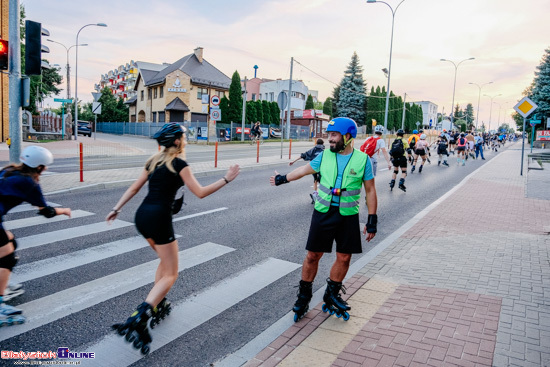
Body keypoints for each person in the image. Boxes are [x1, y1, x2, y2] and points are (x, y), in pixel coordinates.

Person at [107, 123, 240, 355]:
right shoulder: (179, 164)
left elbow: (134, 188)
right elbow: (200, 192)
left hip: (142, 217)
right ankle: (142, 314)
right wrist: (226, 179)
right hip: (159, 219)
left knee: (163, 261)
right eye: (184, 137)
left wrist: (116, 208)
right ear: (177, 141)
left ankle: (157, 303)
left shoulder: (153, 161)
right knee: (171, 273)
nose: (185, 140)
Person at [270, 117, 377, 322]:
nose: (330, 139)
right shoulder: (325, 156)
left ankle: (331, 294)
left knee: (344, 257)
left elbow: (370, 190)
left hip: (348, 215)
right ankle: (304, 296)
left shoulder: (363, 160)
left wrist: (372, 219)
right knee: (313, 255)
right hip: (323, 212)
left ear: (348, 136)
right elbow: (303, 170)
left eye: (334, 135)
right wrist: (283, 178)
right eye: (329, 135)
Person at [0, 146, 72, 327]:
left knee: (10, 241)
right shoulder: (29, 182)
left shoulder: (8, 171)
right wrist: (64, 211)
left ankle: (3, 282)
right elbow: (46, 212)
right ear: (39, 167)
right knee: (8, 257)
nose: (46, 169)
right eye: (45, 166)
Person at [289, 139, 325, 203]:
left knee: (315, 180)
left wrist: (293, 161)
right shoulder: (324, 151)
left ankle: (315, 194)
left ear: (316, 143)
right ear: (323, 143)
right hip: (321, 168)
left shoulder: (313, 150)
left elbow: (303, 155)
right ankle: (320, 195)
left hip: (313, 168)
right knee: (322, 182)